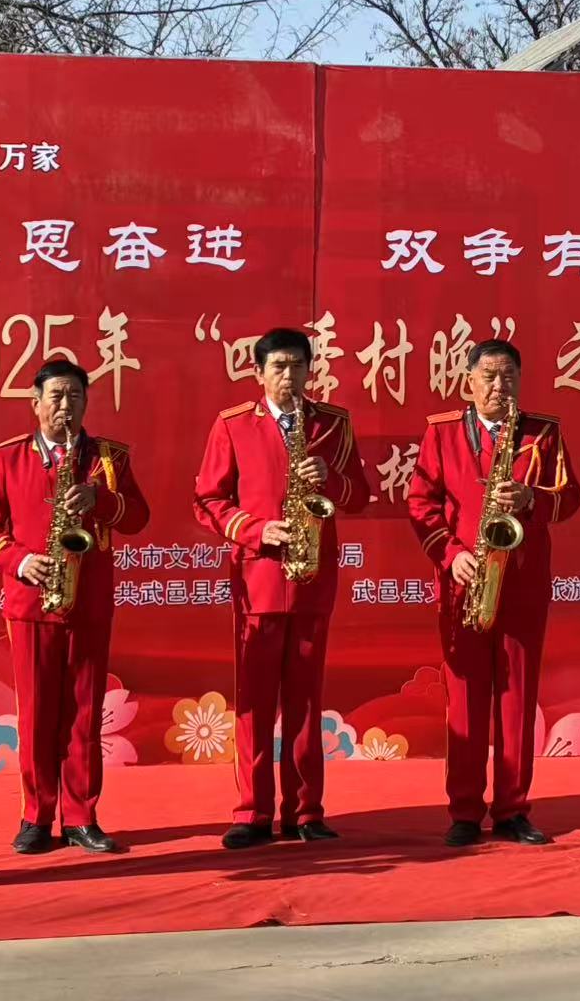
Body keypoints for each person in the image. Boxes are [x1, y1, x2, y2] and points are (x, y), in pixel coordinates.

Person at [193, 327, 370, 850]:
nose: (288, 376)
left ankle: (305, 811)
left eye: (297, 366)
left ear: (310, 370)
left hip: (312, 578)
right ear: (258, 373)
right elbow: (208, 501)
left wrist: (329, 478)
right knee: (255, 699)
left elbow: (358, 496)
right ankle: (252, 812)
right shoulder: (232, 425)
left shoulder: (332, 424)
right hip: (259, 579)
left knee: (305, 701)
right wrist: (255, 530)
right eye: (278, 366)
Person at [0, 360, 149, 856]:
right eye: (56, 397)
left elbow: (138, 516)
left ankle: (81, 816)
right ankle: (36, 815)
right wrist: (20, 560)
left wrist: (99, 499)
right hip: (31, 601)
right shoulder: (8, 457)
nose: (65, 406)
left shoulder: (108, 457)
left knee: (84, 714)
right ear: (36, 403)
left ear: (86, 402)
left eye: (75, 397)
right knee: (36, 715)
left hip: (88, 601)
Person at [406, 339, 580, 847]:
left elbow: (570, 498)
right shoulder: (442, 432)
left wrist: (531, 498)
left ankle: (512, 809)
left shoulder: (542, 432)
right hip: (464, 581)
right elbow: (421, 503)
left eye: (509, 377)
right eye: (489, 376)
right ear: (469, 382)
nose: (499, 386)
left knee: (517, 699)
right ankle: (464, 810)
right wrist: (450, 555)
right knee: (464, 700)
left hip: (521, 582)